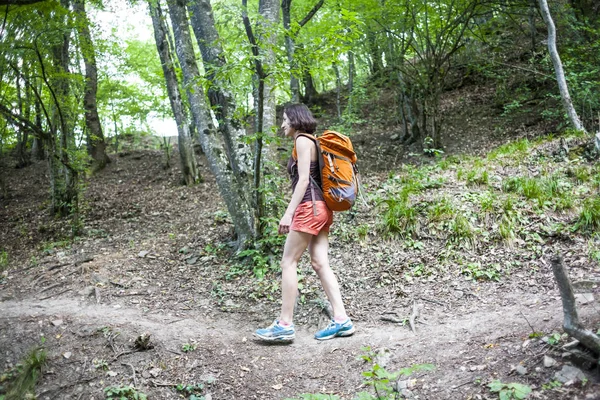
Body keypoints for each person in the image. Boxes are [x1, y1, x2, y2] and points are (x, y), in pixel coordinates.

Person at [254, 103, 355, 343]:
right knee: (320, 263)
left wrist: (289, 213)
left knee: (288, 262)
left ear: (296, 119)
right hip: (323, 209)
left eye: (285, 119)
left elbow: (302, 182)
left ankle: (284, 324)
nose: (282, 124)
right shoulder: (315, 142)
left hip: (309, 208)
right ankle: (342, 320)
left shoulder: (302, 140)